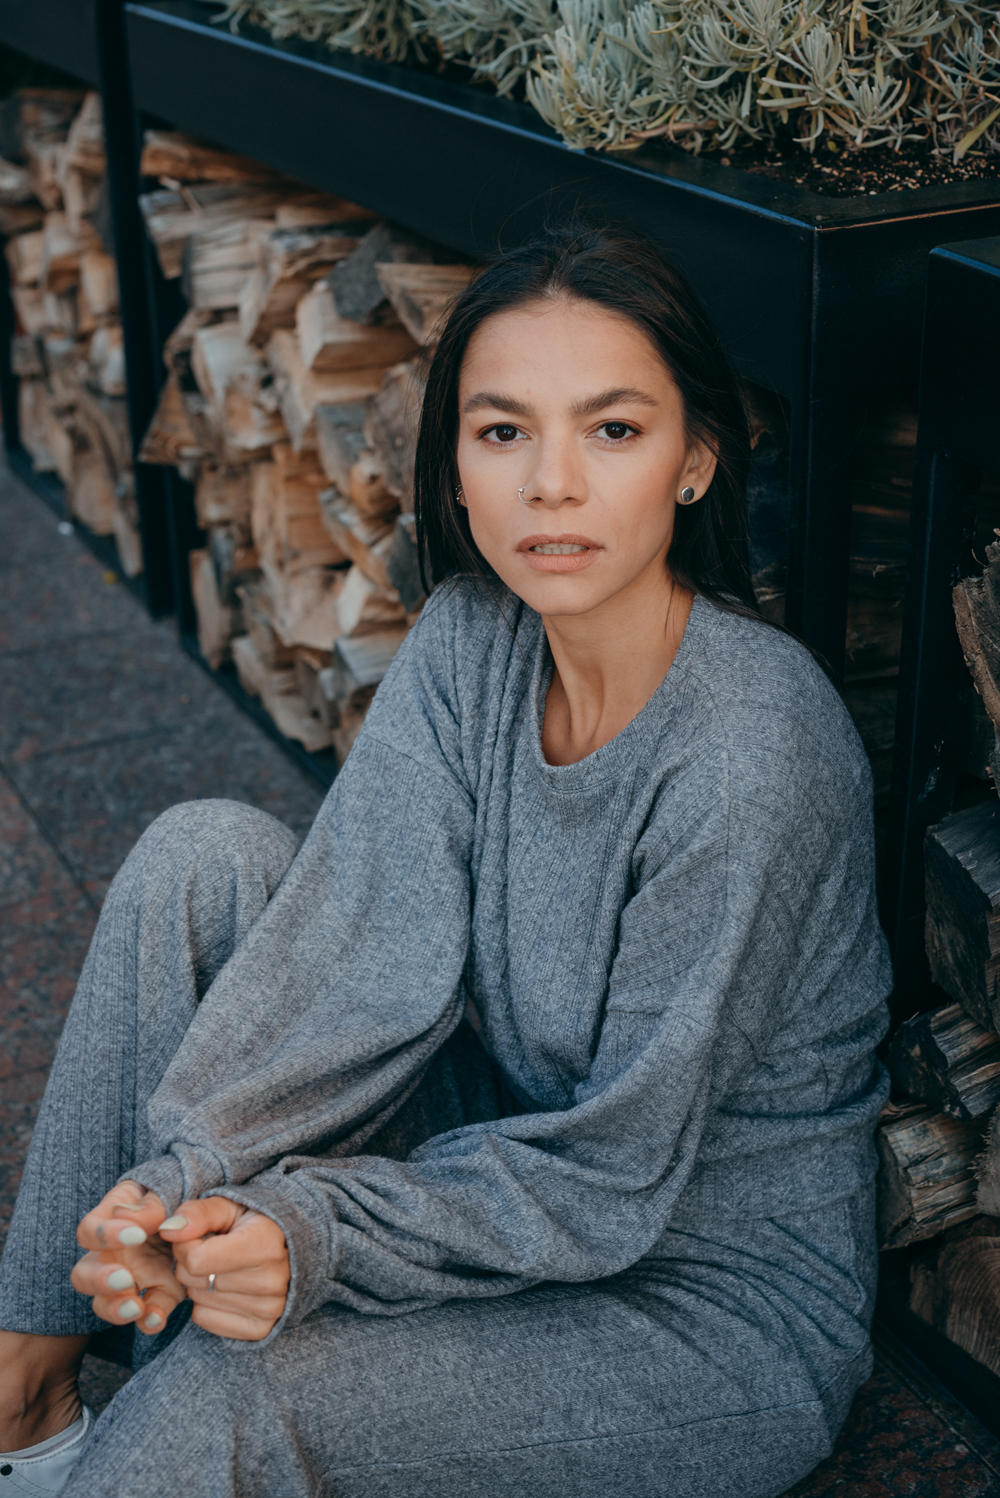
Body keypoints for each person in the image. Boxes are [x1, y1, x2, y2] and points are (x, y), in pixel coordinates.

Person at [0, 222, 890, 1498]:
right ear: (457, 464)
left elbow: (612, 1175)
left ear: (695, 459)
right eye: (504, 430)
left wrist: (306, 1232)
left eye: (614, 430)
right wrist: (170, 1195)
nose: (553, 485)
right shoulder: (475, 637)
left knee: (246, 1380)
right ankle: (24, 1395)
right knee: (203, 855)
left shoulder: (753, 747)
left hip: (694, 1298)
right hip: (494, 1140)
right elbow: (355, 958)